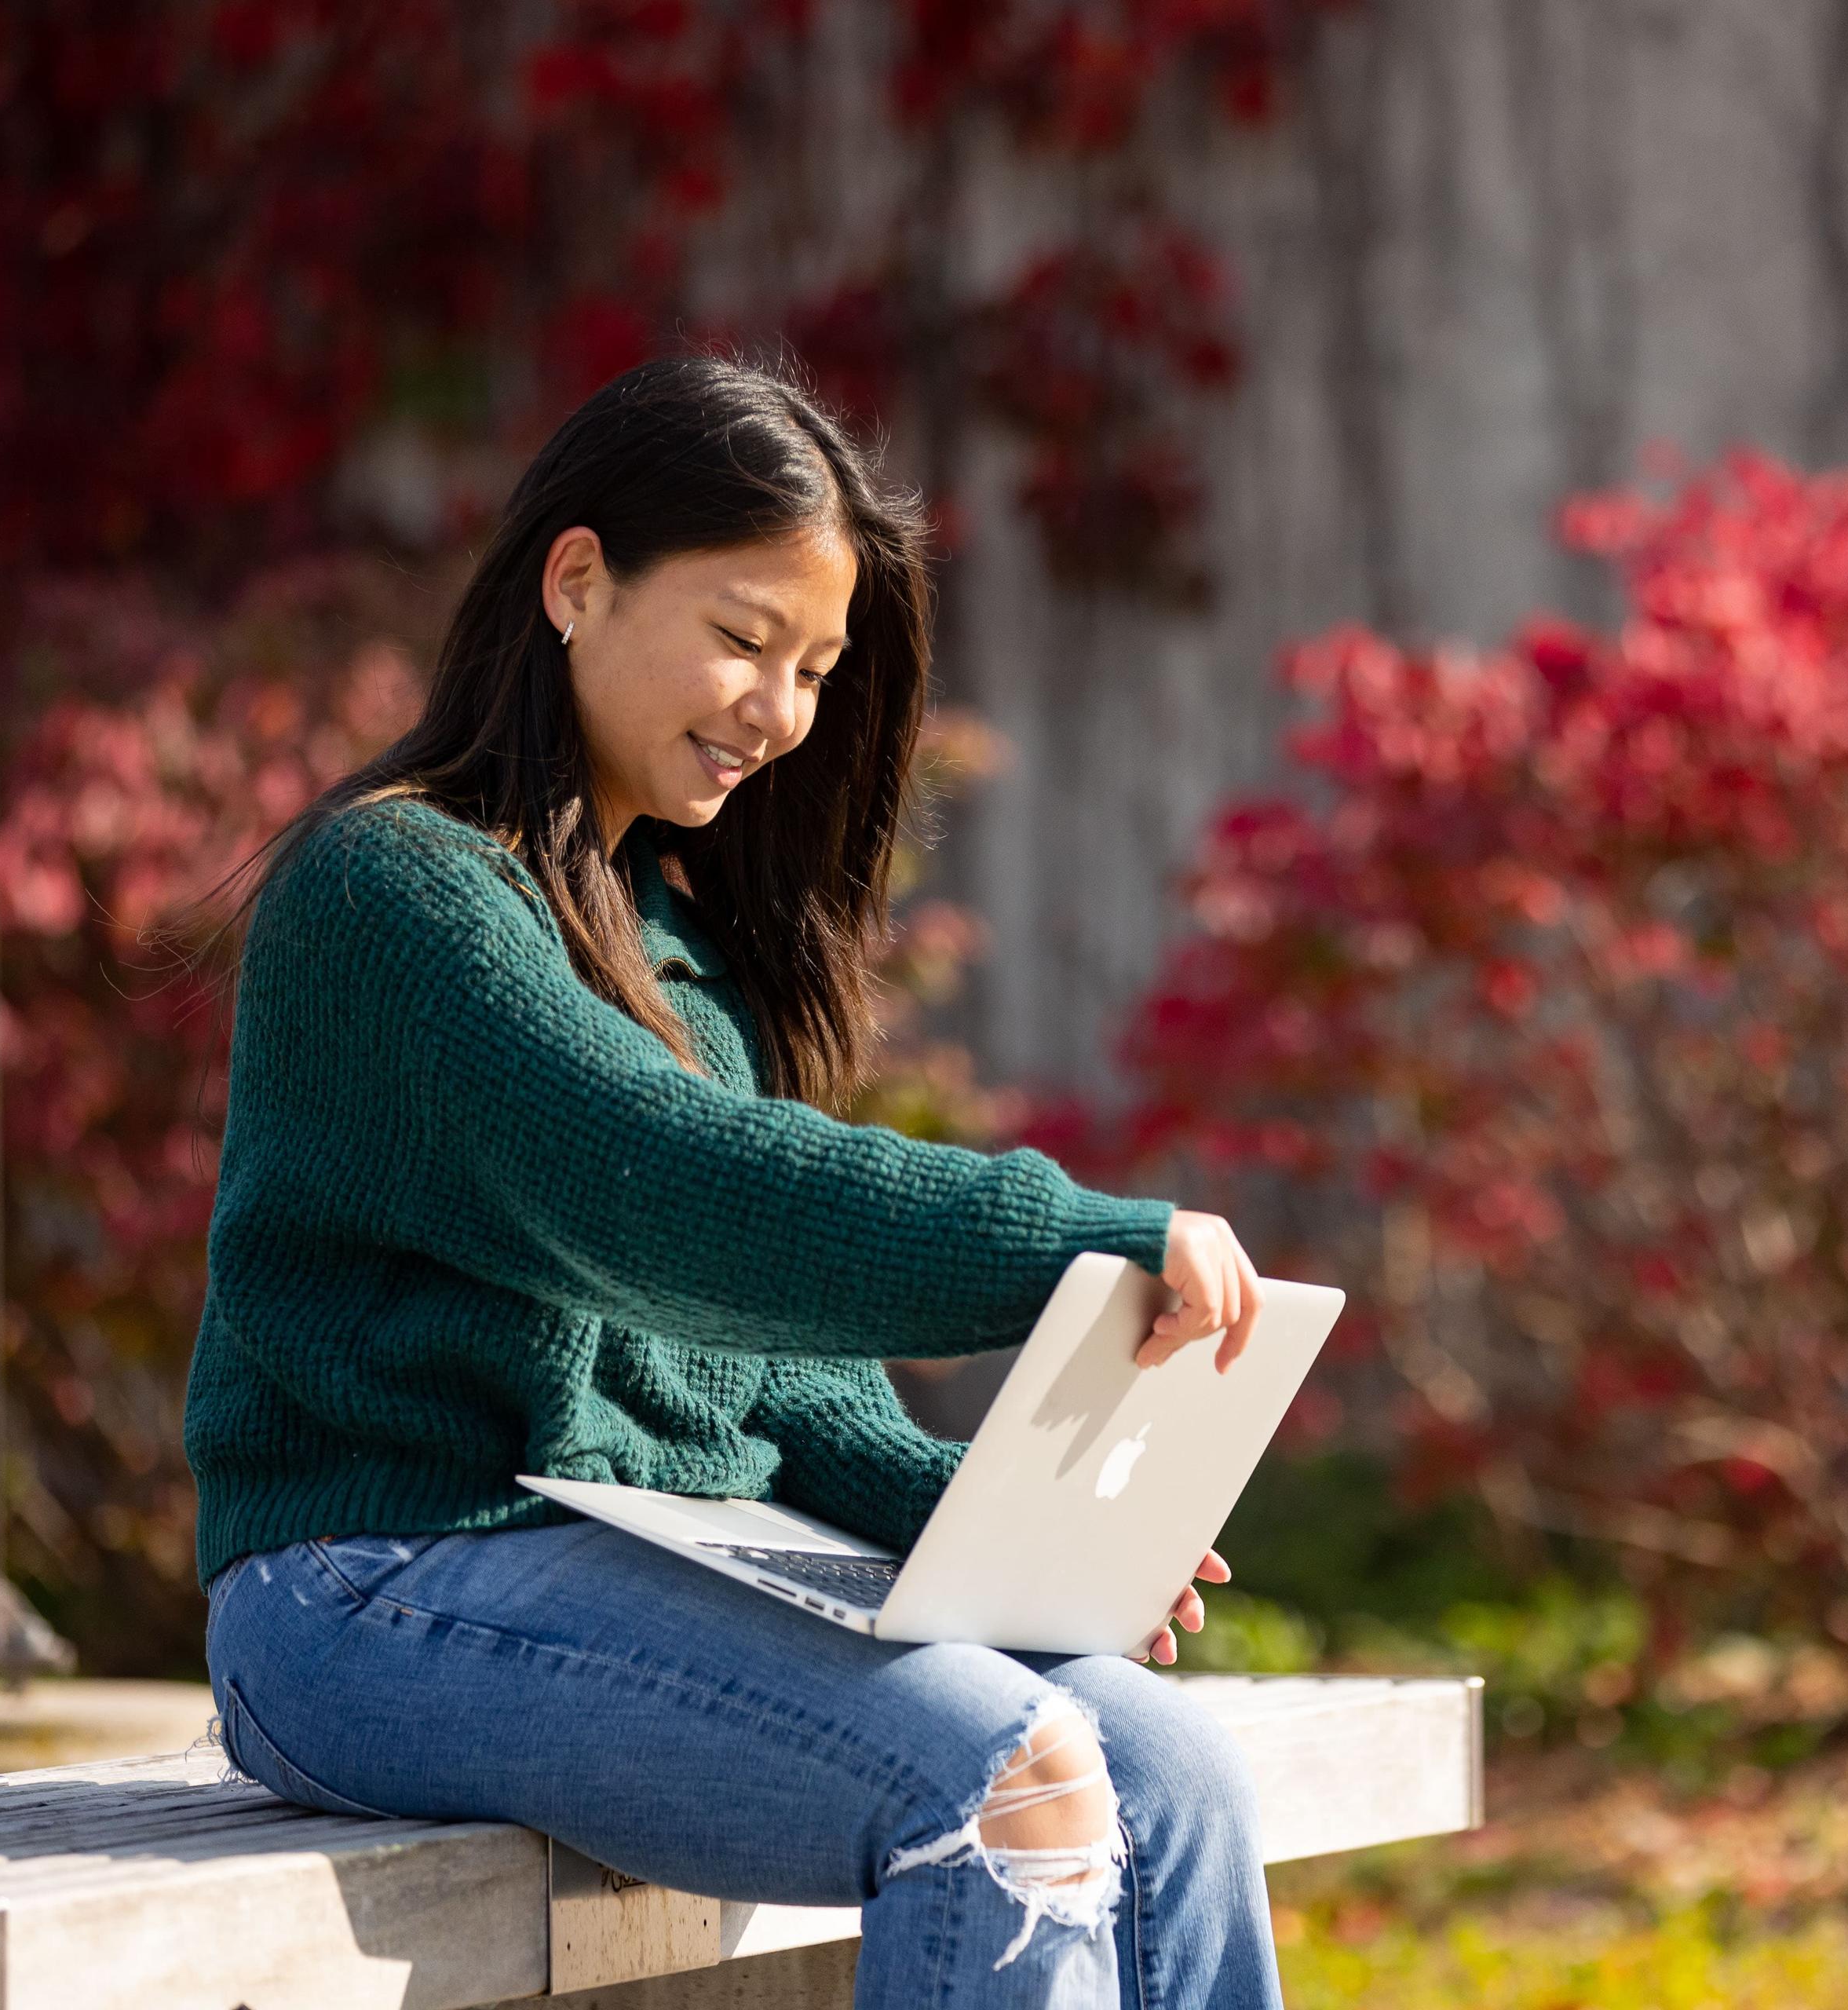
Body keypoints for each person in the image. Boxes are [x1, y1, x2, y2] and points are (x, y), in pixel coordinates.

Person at [184, 354, 1284, 2010]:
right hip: (362, 1585)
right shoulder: (397, 889)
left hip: (647, 1557)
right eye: (744, 636)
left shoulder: (679, 948)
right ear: (577, 581)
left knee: (1179, 1778)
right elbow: (659, 1188)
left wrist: (1004, 1533)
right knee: (1001, 1780)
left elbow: (771, 1378)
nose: (780, 709)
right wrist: (1073, 1238)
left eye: (819, 666)